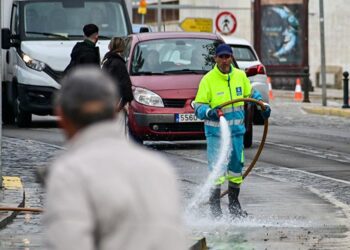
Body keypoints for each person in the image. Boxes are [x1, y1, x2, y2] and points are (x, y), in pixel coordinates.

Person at [44, 66, 186, 250]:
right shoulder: (159, 168)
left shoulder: (70, 173)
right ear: (114, 111)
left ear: (62, 117)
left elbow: (69, 242)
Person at [194, 44, 271, 219]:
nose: (224, 60)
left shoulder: (239, 76)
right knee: (217, 171)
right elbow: (198, 107)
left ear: (231, 57)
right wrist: (209, 112)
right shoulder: (208, 80)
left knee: (236, 169)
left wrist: (262, 106)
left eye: (227, 57)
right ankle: (215, 210)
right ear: (215, 58)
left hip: (236, 133)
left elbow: (251, 94)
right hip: (217, 135)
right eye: (221, 57)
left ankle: (234, 206)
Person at [102, 37, 133, 111]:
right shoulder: (119, 63)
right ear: (122, 47)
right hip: (116, 104)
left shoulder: (107, 60)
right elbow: (126, 86)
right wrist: (122, 105)